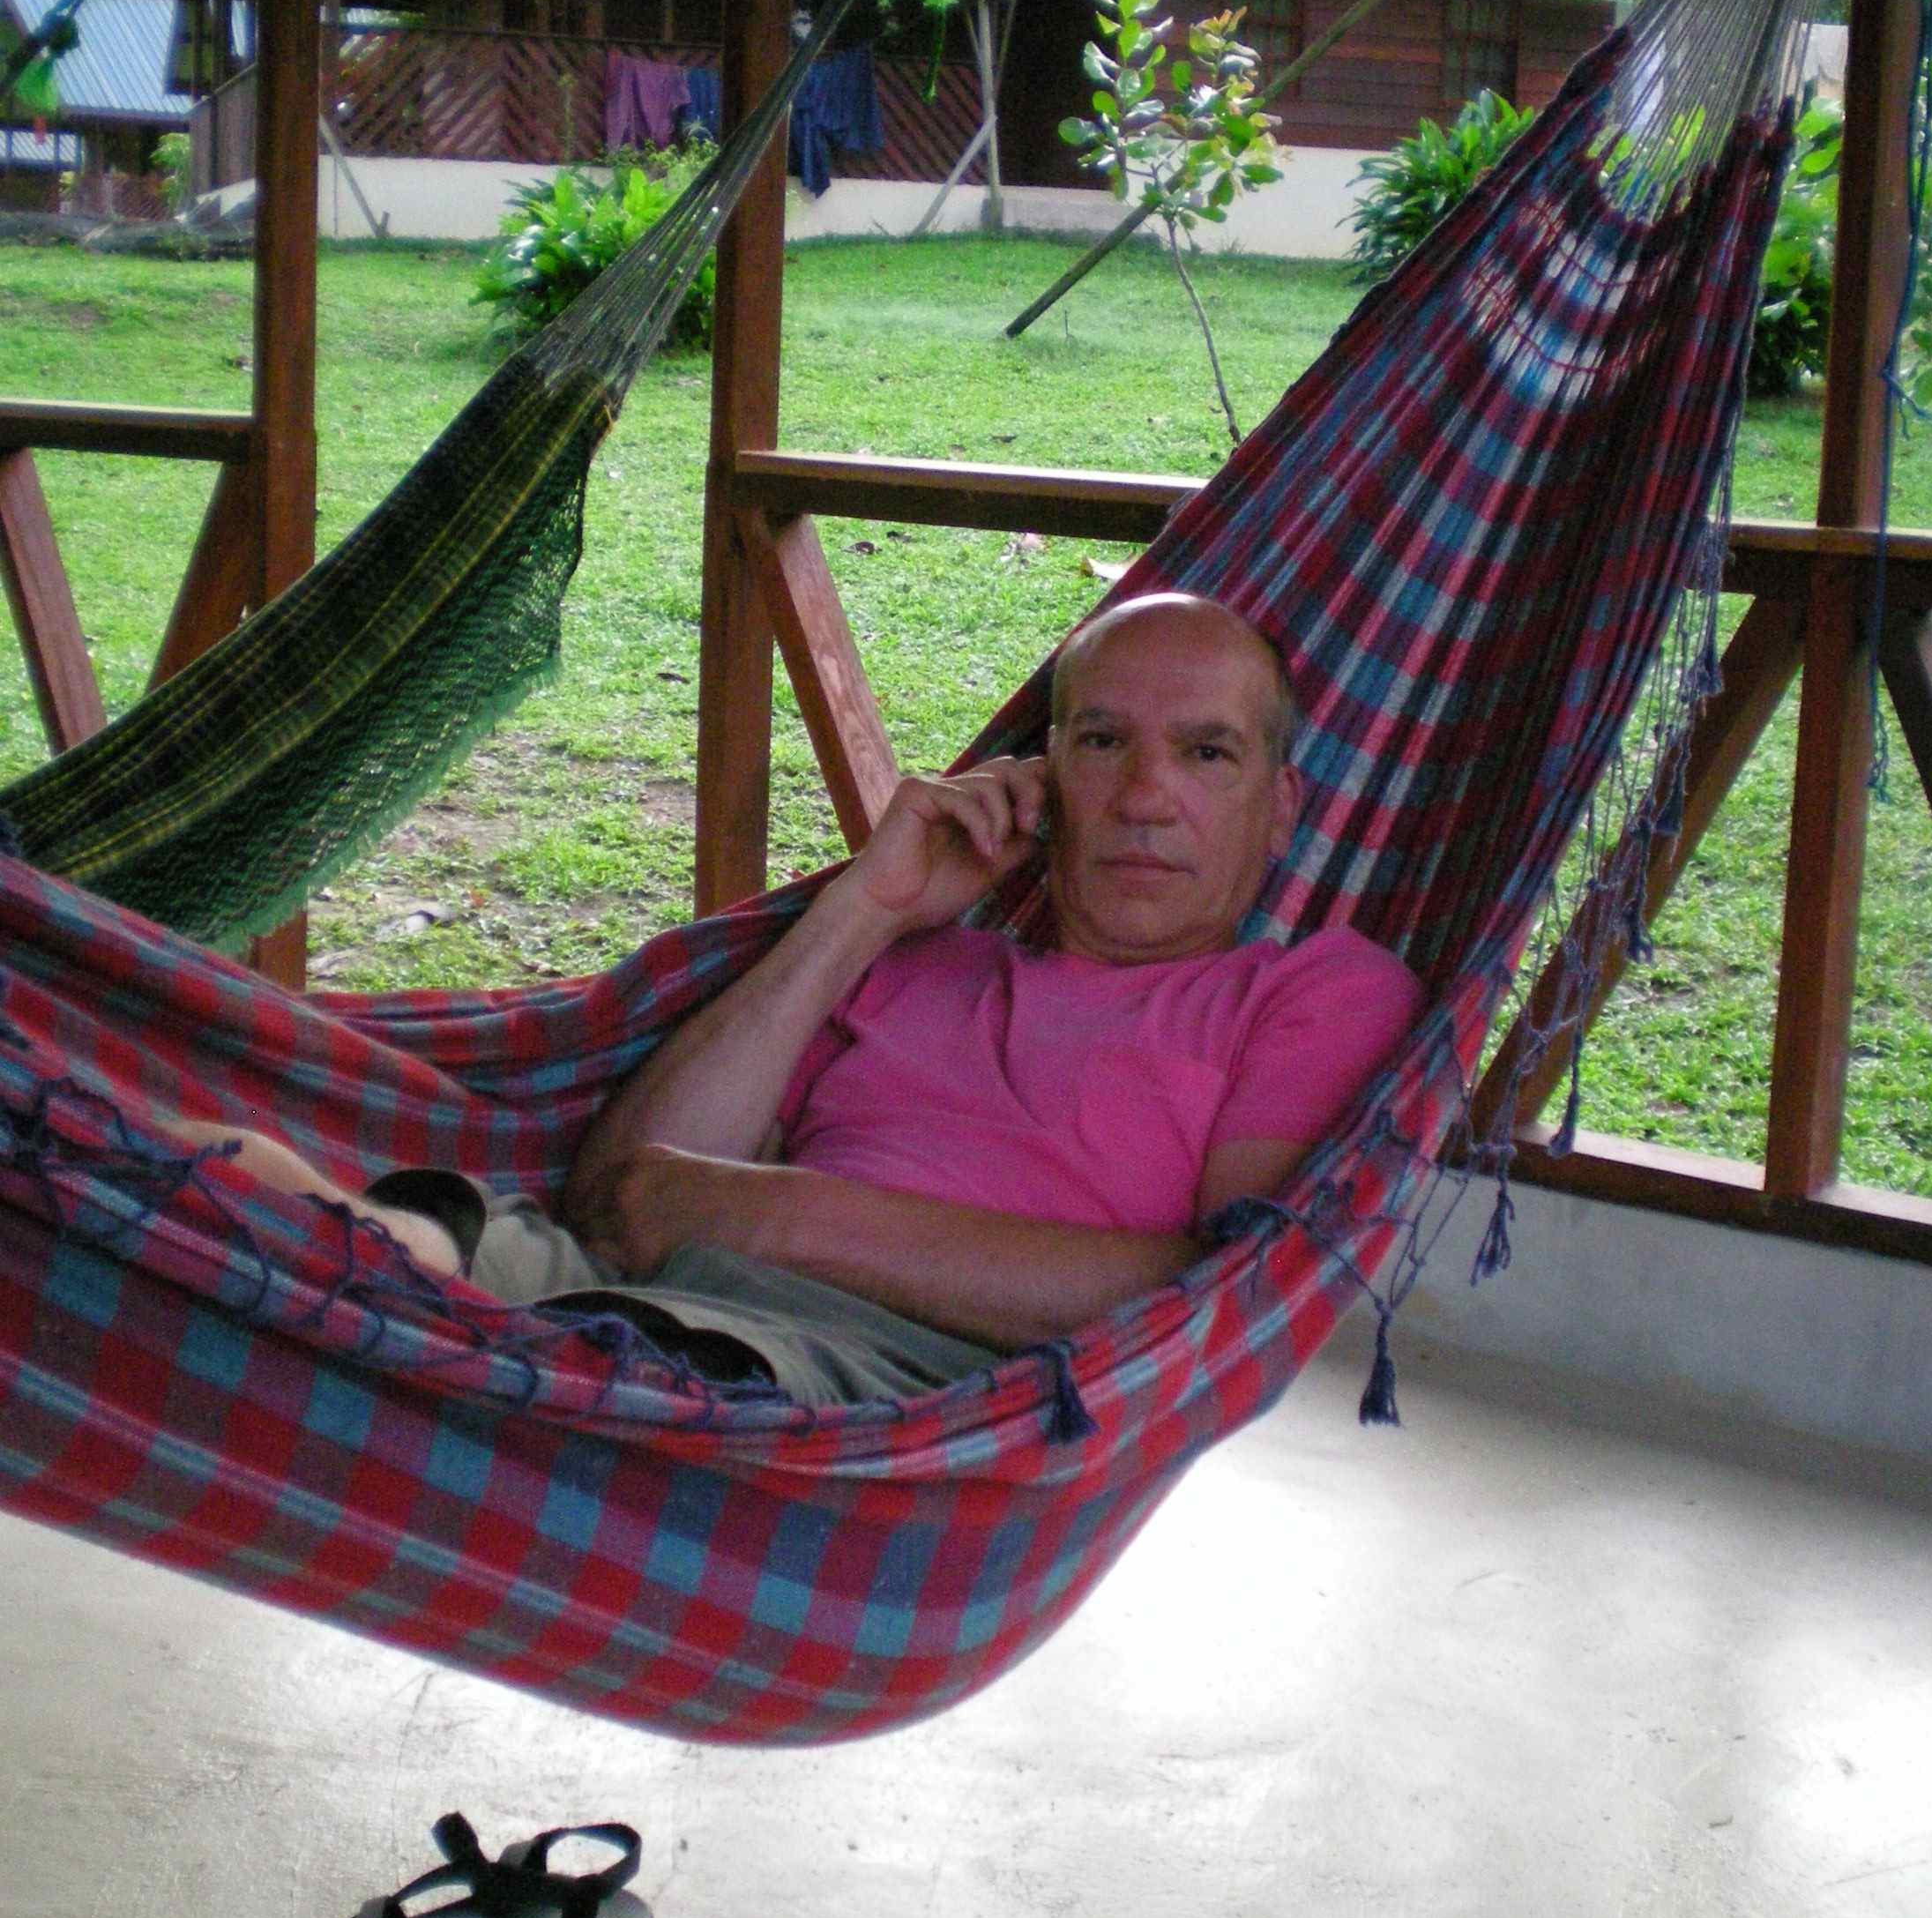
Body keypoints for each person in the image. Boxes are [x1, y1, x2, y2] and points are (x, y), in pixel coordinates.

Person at [165, 595, 1423, 1404]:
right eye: (1101, 741)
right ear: (1043, 777)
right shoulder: (916, 960)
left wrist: (771, 1217)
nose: (1146, 796)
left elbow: (1227, 1294)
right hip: (620, 1286)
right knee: (230, 1183)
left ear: (1281, 810)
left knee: (547, 1331)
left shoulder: (1316, 993)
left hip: (862, 1383)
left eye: (1207, 752)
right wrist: (863, 910)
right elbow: (621, 1199)